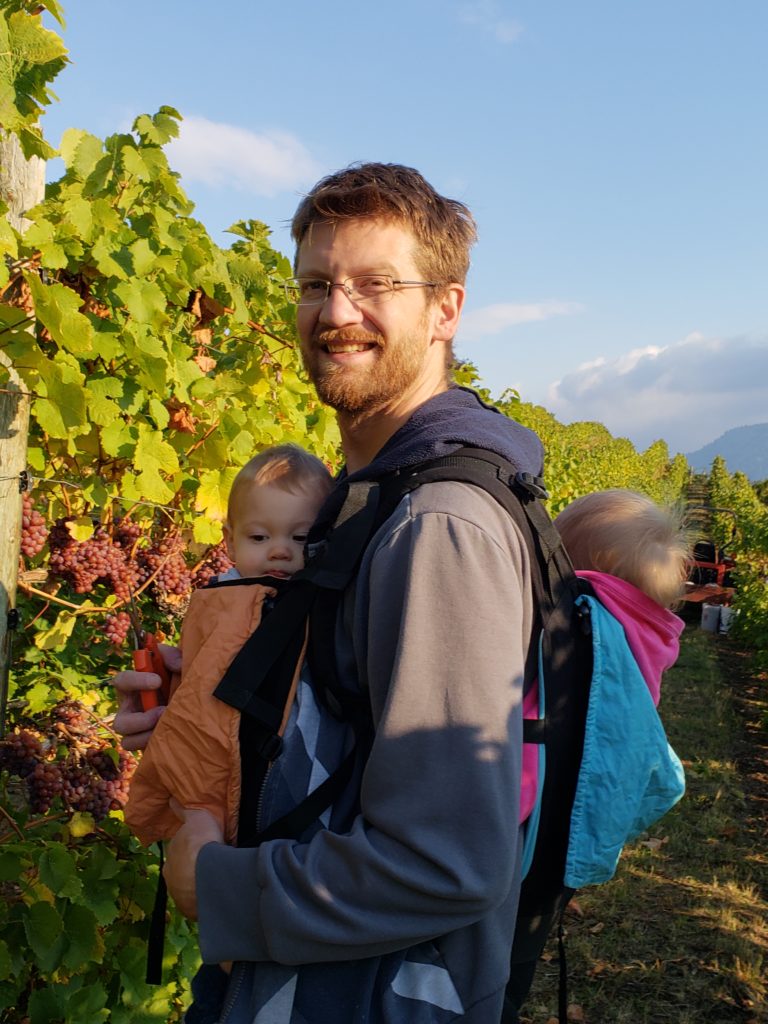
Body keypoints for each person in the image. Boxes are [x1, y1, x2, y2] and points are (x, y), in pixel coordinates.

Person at [114, 162, 546, 1023]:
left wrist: (222, 885)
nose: (338, 312)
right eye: (317, 284)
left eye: (377, 283)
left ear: (446, 309)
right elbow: (356, 726)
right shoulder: (370, 497)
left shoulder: (437, 524)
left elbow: (449, 859)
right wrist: (219, 703)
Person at [124, 443, 333, 846]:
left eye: (301, 537)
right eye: (259, 536)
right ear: (230, 542)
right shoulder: (217, 602)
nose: (280, 550)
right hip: (211, 780)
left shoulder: (321, 605)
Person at [518, 489, 688, 826]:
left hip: (532, 800)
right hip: (601, 791)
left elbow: (527, 746)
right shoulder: (653, 634)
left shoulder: (579, 627)